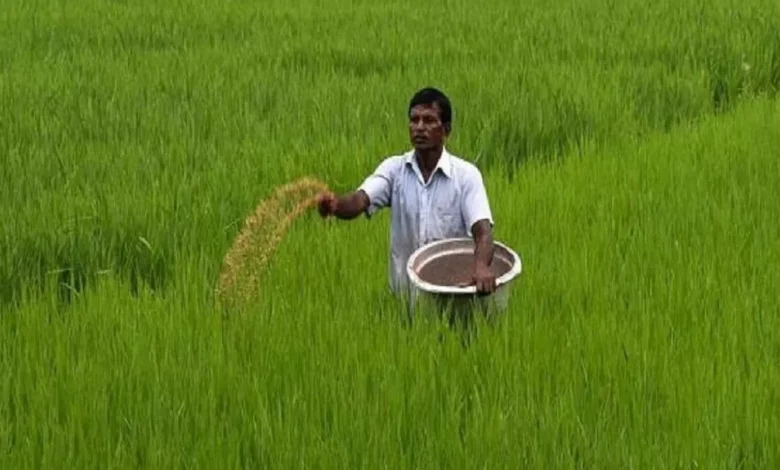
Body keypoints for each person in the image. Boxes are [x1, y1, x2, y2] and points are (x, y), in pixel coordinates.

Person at [316, 87, 497, 299]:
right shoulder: (394, 171)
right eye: (414, 120)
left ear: (446, 130)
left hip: (452, 297)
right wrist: (336, 206)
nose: (419, 127)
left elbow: (483, 232)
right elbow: (360, 200)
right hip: (403, 300)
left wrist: (481, 266)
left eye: (429, 120)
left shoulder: (466, 176)